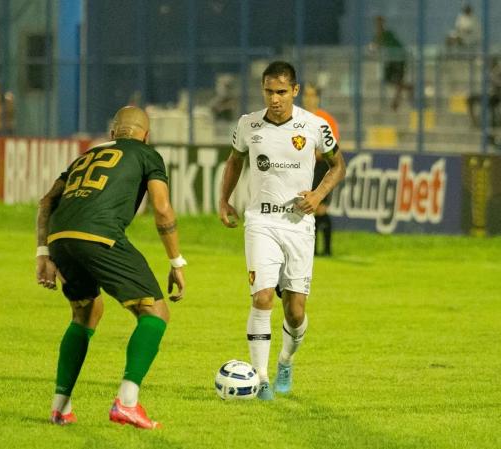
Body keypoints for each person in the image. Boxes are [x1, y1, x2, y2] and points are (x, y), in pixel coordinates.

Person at [36, 106, 186, 429]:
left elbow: (46, 201)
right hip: (99, 234)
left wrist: (43, 253)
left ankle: (60, 407)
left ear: (112, 134)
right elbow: (162, 208)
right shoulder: (147, 155)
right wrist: (176, 261)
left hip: (60, 237)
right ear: (146, 136)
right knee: (156, 312)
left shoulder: (84, 158)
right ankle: (127, 402)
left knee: (87, 311)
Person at [219, 61, 346, 400]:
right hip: (260, 221)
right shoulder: (248, 124)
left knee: (295, 310)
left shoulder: (315, 126)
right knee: (261, 298)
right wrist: (224, 200)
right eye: (268, 91)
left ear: (294, 90)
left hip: (298, 225)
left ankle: (285, 361)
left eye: (280, 92)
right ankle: (260, 380)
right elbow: (234, 161)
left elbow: (338, 165)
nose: (274, 99)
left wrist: (318, 195)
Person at [301, 83, 341, 256]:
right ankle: (315, 250)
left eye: (312, 95)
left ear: (317, 97)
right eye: (307, 95)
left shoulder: (326, 119)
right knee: (311, 210)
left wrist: (309, 152)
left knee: (320, 208)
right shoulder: (298, 118)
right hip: (305, 169)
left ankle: (327, 249)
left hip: (322, 167)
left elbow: (331, 148)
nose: (309, 98)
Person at [371, 15, 413, 111]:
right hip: (390, 61)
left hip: (399, 59)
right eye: (377, 23)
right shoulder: (377, 35)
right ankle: (408, 88)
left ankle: (395, 103)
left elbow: (381, 45)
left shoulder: (388, 34)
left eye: (380, 23)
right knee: (388, 80)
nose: (378, 25)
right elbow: (374, 47)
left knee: (398, 80)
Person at [468, 58, 501, 129]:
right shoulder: (489, 73)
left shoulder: (498, 73)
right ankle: (475, 122)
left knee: (492, 103)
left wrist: (495, 81)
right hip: (488, 95)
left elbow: (497, 86)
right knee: (470, 99)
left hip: (497, 96)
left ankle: (493, 125)